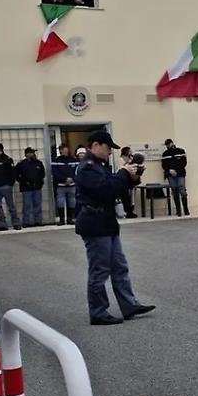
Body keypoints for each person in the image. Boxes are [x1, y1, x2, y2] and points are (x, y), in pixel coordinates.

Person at [74, 130, 155, 326]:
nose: (110, 152)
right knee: (100, 270)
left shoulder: (100, 166)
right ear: (96, 145)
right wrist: (123, 173)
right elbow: (105, 190)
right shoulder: (87, 167)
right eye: (108, 147)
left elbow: (115, 187)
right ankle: (98, 311)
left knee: (119, 266)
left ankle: (129, 305)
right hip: (94, 221)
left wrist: (132, 177)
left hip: (106, 221)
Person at [16, 147, 47, 227]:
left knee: (37, 204)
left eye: (33, 153)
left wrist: (40, 183)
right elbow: (16, 175)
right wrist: (23, 181)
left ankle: (38, 221)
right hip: (26, 188)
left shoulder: (38, 163)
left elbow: (42, 174)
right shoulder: (21, 164)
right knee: (27, 205)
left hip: (37, 187)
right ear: (26, 154)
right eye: (30, 153)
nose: (32, 154)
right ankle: (26, 222)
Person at [51, 144, 80, 226]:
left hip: (72, 185)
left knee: (72, 202)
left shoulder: (74, 160)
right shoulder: (56, 161)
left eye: (66, 149)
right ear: (60, 151)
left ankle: (70, 218)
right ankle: (61, 219)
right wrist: (64, 179)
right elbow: (55, 173)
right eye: (63, 150)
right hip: (60, 186)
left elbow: (78, 171)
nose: (65, 151)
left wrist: (72, 179)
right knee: (60, 202)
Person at [161, 138, 190, 216]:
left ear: (172, 143)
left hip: (180, 174)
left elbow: (184, 163)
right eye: (166, 145)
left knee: (182, 191)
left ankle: (186, 210)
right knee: (174, 192)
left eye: (168, 144)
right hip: (170, 175)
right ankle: (178, 211)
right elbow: (164, 165)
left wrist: (176, 170)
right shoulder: (165, 154)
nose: (168, 146)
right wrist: (169, 170)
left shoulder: (181, 151)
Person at [118, 146, 138, 219]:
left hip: (129, 180)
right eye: (130, 151)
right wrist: (127, 162)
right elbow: (121, 167)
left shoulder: (130, 159)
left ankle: (130, 211)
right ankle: (126, 211)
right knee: (124, 197)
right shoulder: (120, 159)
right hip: (122, 181)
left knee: (130, 197)